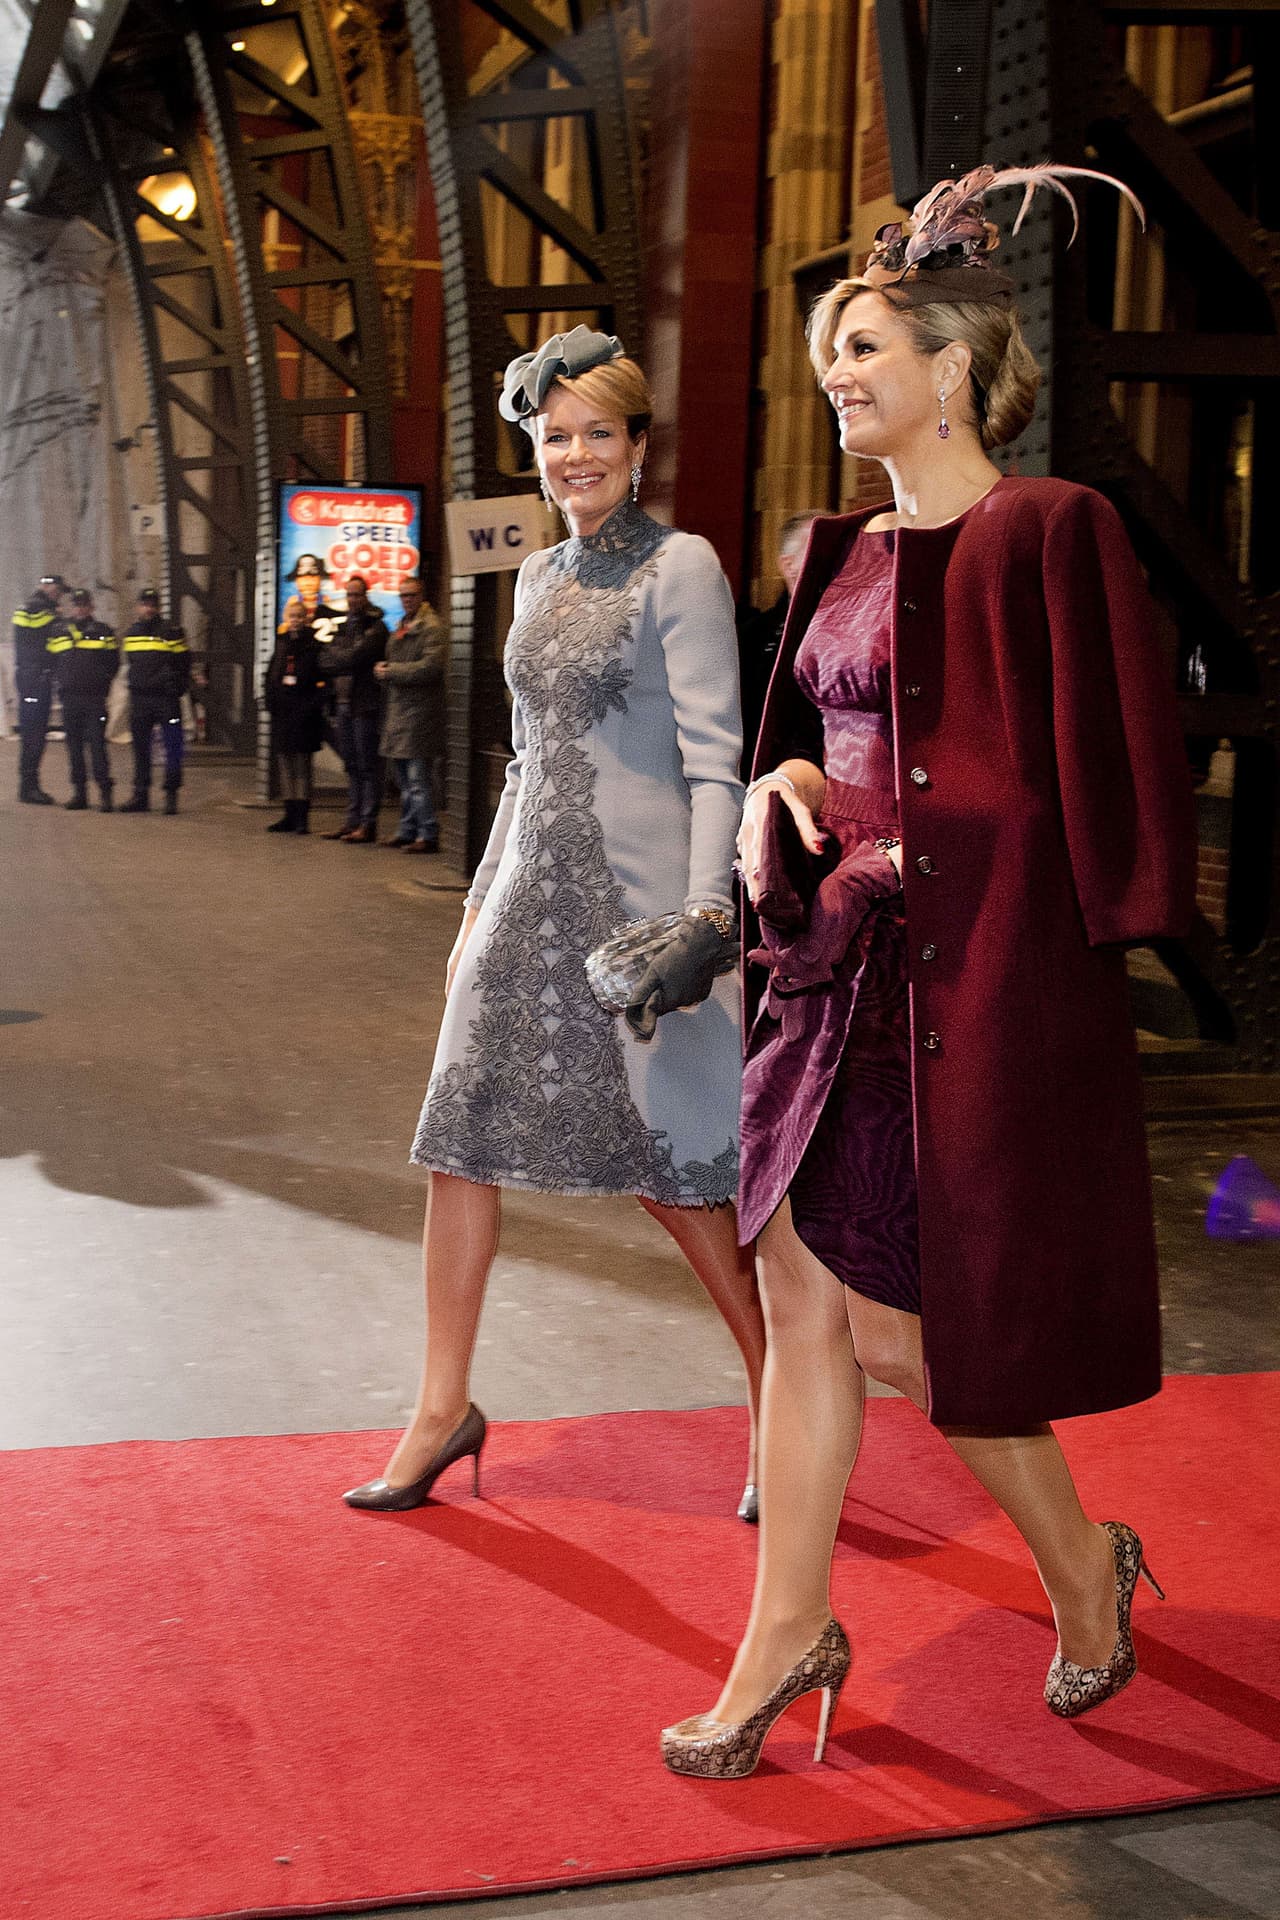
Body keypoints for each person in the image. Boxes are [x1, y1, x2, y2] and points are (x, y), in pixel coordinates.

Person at [660, 165, 1197, 1779]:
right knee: (801, 1298)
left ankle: (1082, 1563)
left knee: (914, 1340)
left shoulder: (1050, 528)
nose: (838, 373)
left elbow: (1101, 774)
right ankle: (787, 1634)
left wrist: (942, 861)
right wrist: (791, 792)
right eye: (833, 346)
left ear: (954, 374)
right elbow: (833, 732)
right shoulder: (836, 548)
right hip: (834, 968)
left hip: (963, 982)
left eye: (867, 348)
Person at [343, 326, 766, 1520]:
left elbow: (714, 763)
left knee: (681, 1173)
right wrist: (478, 900)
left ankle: (779, 1392)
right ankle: (440, 1408)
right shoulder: (533, 576)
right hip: (522, 895)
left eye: (596, 433)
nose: (572, 454)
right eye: (553, 434)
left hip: (636, 913)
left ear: (636, 446)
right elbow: (526, 763)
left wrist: (701, 918)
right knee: (457, 1144)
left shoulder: (678, 565)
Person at [737, 512, 823, 774]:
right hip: (762, 776)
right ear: (788, 566)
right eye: (820, 549)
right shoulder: (752, 636)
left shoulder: (856, 634)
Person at [374, 575, 445, 853]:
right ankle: (407, 830)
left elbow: (430, 667)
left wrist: (390, 672)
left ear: (421, 595)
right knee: (404, 779)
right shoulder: (402, 625)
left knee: (417, 779)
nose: (407, 600)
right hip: (401, 713)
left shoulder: (432, 627)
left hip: (420, 715)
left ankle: (427, 833)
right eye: (403, 595)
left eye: (412, 595)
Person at [320, 574, 388, 844]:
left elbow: (350, 657)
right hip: (344, 704)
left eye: (357, 595)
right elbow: (326, 660)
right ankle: (351, 821)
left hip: (365, 705)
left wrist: (341, 657)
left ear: (366, 595)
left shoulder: (377, 627)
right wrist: (343, 658)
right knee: (351, 765)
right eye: (349, 595)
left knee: (367, 765)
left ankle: (367, 824)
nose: (352, 600)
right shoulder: (345, 626)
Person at [119, 588, 190, 815]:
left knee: (173, 748)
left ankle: (171, 795)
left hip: (165, 699)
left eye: (152, 604)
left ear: (158, 607)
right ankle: (141, 796)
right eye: (145, 604)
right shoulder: (132, 633)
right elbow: (131, 664)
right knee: (140, 749)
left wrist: (175, 688)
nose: (148, 608)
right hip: (140, 698)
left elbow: (184, 662)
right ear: (139, 606)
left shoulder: (172, 631)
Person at [47, 588, 119, 811]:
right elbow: (52, 659)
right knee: (74, 748)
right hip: (70, 699)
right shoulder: (59, 630)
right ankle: (80, 794)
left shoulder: (103, 631)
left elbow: (113, 663)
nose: (80, 608)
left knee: (97, 747)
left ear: (91, 606)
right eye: (77, 604)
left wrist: (101, 684)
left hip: (94, 698)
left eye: (84, 604)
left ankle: (105, 793)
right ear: (72, 606)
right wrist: (61, 681)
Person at [263, 595, 327, 833]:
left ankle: (302, 818)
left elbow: (323, 682)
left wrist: (310, 705)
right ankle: (289, 814)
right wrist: (271, 701)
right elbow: (272, 674)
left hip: (304, 716)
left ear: (306, 619)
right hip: (283, 714)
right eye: (292, 616)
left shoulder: (314, 647)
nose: (296, 620)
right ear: (286, 618)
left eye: (300, 616)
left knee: (302, 767)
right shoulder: (281, 644)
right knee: (285, 765)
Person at [12, 575, 68, 804]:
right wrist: (58, 618)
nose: (60, 595)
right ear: (48, 587)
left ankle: (28, 785)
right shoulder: (38, 609)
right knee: (34, 735)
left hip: (31, 677)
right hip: (35, 679)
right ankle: (28, 787)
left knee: (33, 734)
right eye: (58, 590)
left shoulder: (30, 607)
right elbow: (45, 640)